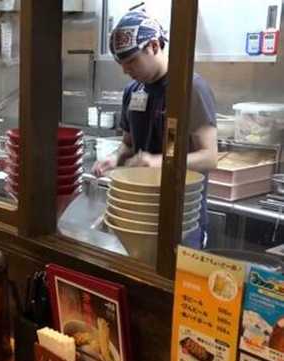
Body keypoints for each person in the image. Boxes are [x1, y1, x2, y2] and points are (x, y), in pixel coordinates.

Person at [92, 9, 218, 248]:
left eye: (131, 61)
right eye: (121, 63)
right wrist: (114, 157)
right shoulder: (133, 91)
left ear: (153, 46)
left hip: (180, 215)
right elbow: (128, 144)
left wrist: (158, 162)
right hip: (139, 210)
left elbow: (210, 157)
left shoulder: (190, 88)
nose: (125, 69)